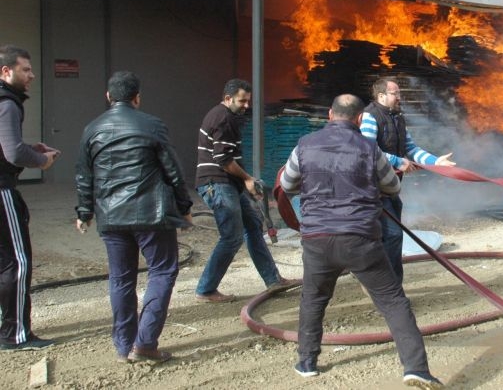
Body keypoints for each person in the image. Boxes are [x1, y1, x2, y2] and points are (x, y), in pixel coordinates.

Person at [280, 94, 444, 389]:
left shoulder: (304, 144)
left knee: (313, 298)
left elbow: (288, 183)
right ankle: (416, 369)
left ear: (330, 114)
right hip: (361, 239)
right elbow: (392, 187)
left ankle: (307, 362)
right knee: (393, 302)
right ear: (359, 119)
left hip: (318, 239)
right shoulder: (368, 147)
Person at [75, 71, 193, 363]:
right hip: (151, 216)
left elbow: (84, 174)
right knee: (162, 272)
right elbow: (174, 172)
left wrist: (84, 211)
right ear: (137, 97)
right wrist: (185, 206)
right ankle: (145, 344)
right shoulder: (152, 125)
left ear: (108, 97)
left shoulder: (92, 129)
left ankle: (123, 346)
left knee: (121, 278)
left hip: (111, 217)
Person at [195, 79, 289, 302]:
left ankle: (273, 279)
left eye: (248, 101)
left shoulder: (226, 117)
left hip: (228, 183)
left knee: (254, 226)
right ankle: (206, 289)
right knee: (232, 237)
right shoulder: (223, 117)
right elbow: (224, 159)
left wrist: (247, 185)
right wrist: (247, 179)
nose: (246, 106)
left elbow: (231, 159)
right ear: (228, 98)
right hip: (216, 183)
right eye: (242, 101)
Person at [361, 77, 455, 285]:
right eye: (395, 93)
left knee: (388, 237)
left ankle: (384, 283)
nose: (399, 97)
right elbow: (367, 150)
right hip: (372, 191)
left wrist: (435, 161)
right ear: (381, 96)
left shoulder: (396, 118)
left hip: (390, 188)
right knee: (392, 235)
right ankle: (390, 286)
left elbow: (411, 149)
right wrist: (397, 161)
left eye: (399, 93)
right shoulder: (370, 116)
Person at [0, 45, 60, 351]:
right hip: (2, 191)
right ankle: (15, 334)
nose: (32, 75)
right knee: (18, 262)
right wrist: (41, 160)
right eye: (25, 69)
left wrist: (29, 147)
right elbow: (12, 152)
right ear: (6, 72)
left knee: (3, 263)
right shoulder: (7, 103)